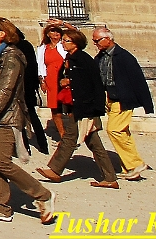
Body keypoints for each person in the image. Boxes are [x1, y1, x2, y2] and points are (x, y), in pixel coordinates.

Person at [0, 17, 56, 224]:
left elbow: (6, 89)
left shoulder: (12, 56)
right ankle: (1, 206)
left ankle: (43, 195)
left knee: (1, 162)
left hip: (7, 117)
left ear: (2, 33)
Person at [36, 28, 119, 188]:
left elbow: (91, 83)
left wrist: (69, 82)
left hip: (85, 107)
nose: (63, 43)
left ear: (75, 43)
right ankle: (109, 177)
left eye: (66, 40)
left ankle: (55, 169)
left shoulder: (82, 59)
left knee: (71, 138)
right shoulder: (71, 58)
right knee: (93, 142)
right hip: (78, 106)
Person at [93, 27, 153, 180]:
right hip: (110, 99)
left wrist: (146, 104)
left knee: (114, 130)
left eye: (97, 40)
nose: (95, 44)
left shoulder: (124, 57)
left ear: (108, 39)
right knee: (123, 132)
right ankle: (130, 168)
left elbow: (138, 80)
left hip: (123, 100)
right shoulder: (101, 57)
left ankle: (136, 163)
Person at [14, 28, 49, 156]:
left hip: (21, 86)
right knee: (32, 116)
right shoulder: (27, 45)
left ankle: (25, 146)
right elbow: (33, 66)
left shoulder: (15, 47)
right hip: (29, 85)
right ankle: (43, 144)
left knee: (21, 117)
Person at [37, 24, 68, 139]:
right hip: (51, 78)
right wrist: (42, 81)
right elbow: (40, 65)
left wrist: (63, 24)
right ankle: (62, 135)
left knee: (69, 104)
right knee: (54, 107)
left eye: (58, 31)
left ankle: (72, 133)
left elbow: (77, 33)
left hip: (64, 76)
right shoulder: (42, 49)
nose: (56, 33)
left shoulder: (64, 45)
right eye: (53, 31)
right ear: (48, 34)